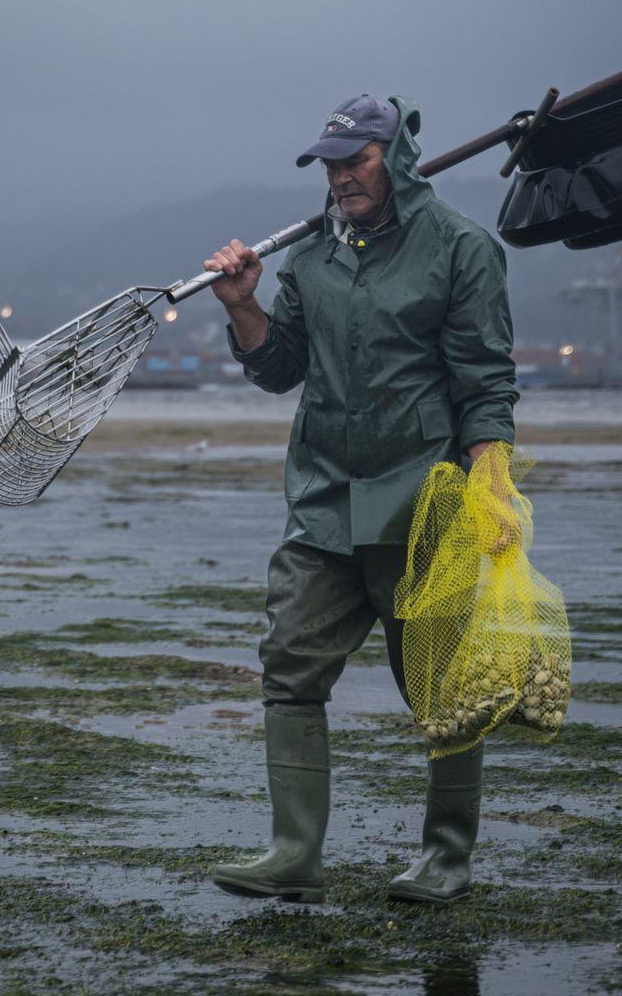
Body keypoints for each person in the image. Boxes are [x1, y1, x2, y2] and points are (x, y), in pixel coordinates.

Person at [202, 93, 517, 904]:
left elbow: (485, 384)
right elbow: (278, 369)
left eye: (358, 160)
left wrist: (493, 478)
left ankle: (446, 856)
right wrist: (243, 307)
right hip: (322, 503)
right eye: (332, 165)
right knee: (289, 667)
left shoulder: (461, 249)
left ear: (398, 157)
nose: (342, 177)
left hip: (423, 505)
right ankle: (292, 852)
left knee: (440, 686)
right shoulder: (310, 258)